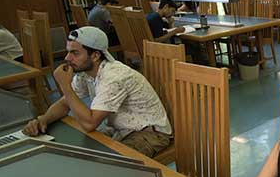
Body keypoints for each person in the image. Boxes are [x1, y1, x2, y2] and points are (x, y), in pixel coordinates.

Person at [23, 27, 173, 157]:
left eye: (75, 53)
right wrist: (43, 119)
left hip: (150, 134)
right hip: (121, 129)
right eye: (68, 52)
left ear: (95, 55)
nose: (67, 58)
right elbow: (64, 104)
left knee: (108, 165)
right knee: (82, 151)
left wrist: (65, 87)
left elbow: (89, 123)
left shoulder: (114, 77)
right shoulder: (84, 72)